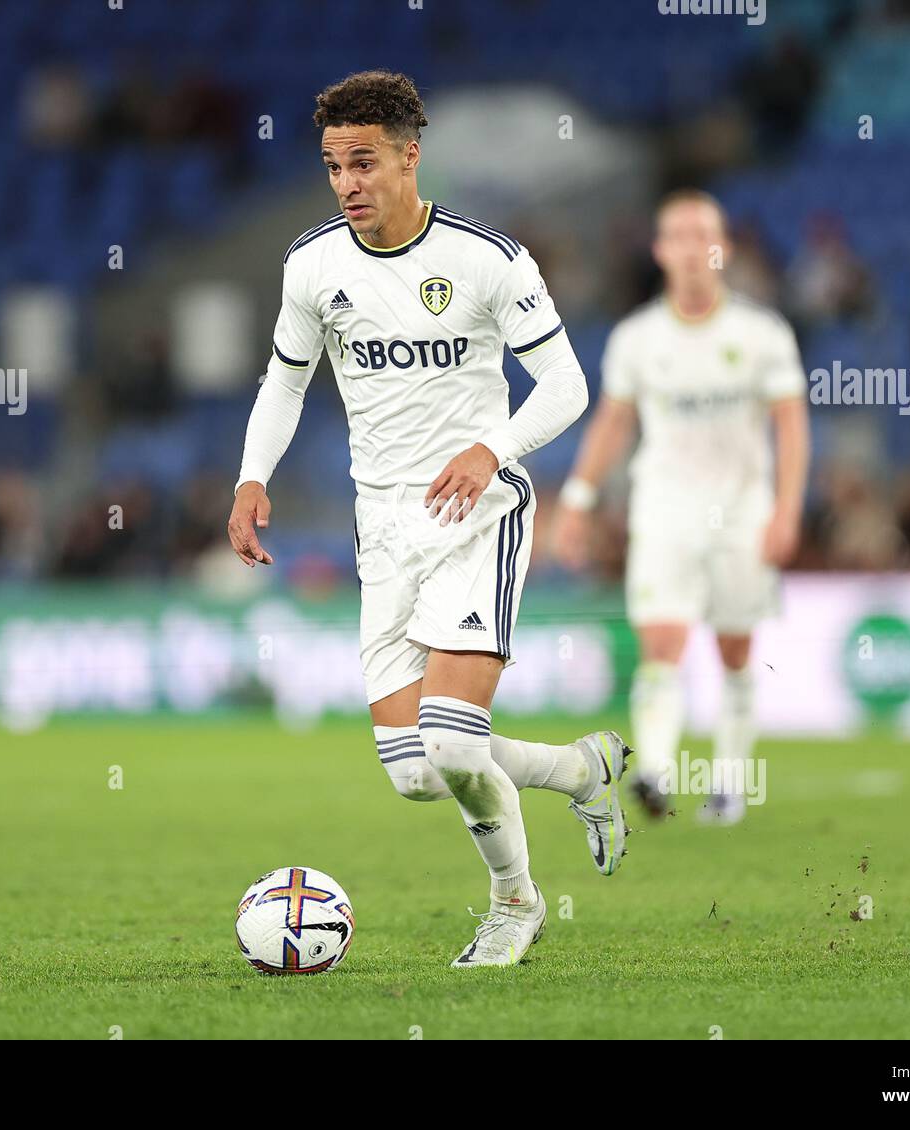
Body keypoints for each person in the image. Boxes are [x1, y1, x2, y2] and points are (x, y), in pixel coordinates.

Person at [227, 71, 631, 967]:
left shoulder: (488, 258)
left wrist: (495, 449)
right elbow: (286, 382)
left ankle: (515, 904)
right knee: (415, 772)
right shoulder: (311, 266)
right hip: (385, 531)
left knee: (453, 742)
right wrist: (254, 477)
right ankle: (579, 771)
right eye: (334, 167)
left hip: (478, 515)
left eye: (363, 163)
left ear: (411, 156)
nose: (347, 185)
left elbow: (566, 386)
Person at [553, 189, 809, 825]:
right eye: (680, 236)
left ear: (722, 248)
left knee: (735, 649)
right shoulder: (638, 338)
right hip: (664, 506)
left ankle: (728, 782)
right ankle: (658, 772)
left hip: (742, 511)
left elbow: (792, 425)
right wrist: (579, 500)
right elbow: (613, 422)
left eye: (705, 235)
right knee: (662, 641)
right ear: (661, 250)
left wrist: (787, 510)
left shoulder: (761, 333)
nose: (694, 248)